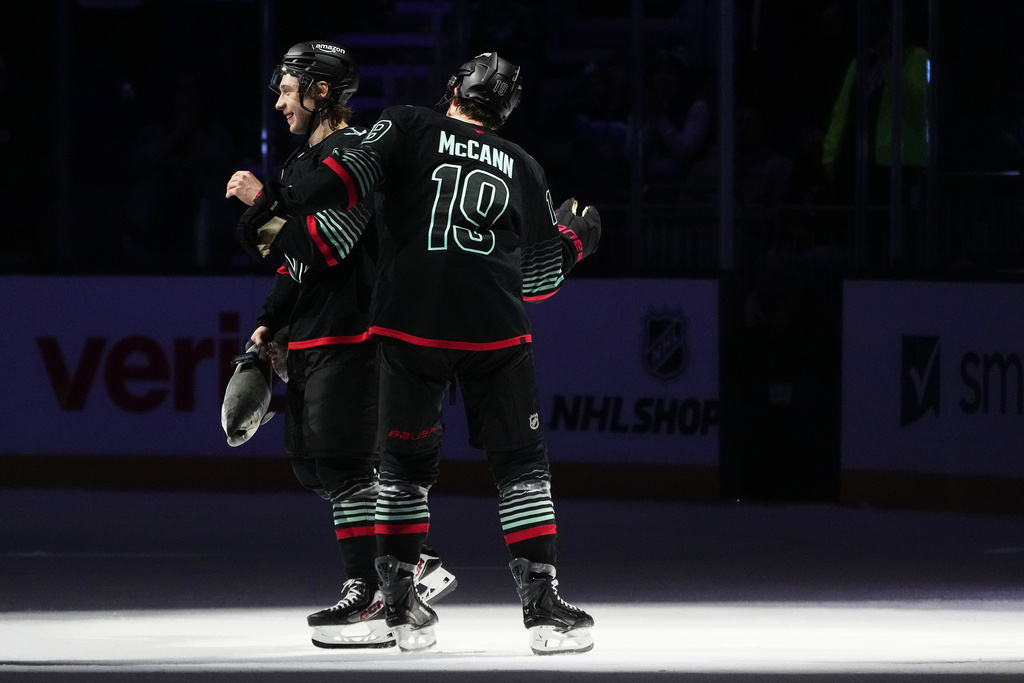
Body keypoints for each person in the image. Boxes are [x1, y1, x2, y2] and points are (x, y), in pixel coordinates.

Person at [236, 52, 601, 655]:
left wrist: (279, 190)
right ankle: (544, 611)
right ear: (505, 109)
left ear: (453, 89)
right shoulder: (524, 165)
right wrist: (575, 241)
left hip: (411, 324)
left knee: (403, 473)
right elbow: (537, 282)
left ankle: (401, 608)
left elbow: (344, 177)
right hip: (495, 329)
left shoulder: (408, 123)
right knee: (520, 467)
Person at [224, 40, 455, 650]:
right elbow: (298, 263)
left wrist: (261, 205)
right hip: (319, 330)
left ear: (319, 91)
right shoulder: (308, 164)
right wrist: (272, 322)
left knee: (344, 463)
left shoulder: (354, 155)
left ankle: (376, 587)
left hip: (358, 332)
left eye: (287, 89)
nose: (278, 102)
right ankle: (412, 564)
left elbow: (325, 246)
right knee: (318, 462)